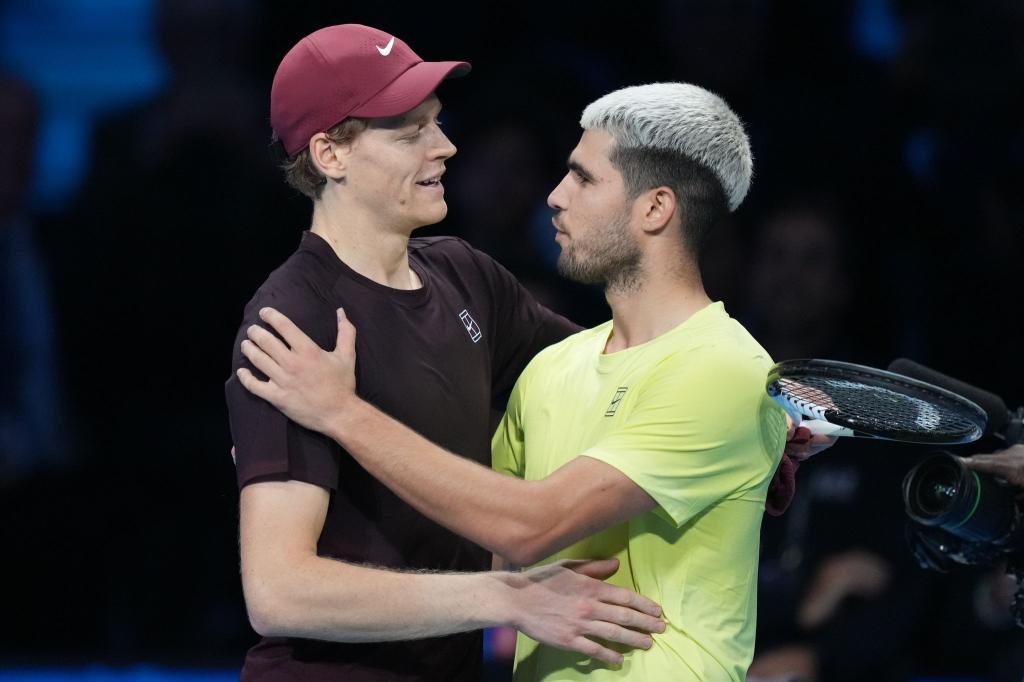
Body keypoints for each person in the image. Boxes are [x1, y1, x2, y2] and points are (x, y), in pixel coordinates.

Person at [238, 82, 833, 680]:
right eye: (412, 131)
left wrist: (341, 412)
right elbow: (478, 538)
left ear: (655, 209)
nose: (551, 196)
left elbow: (525, 527)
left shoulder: (723, 370)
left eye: (583, 178)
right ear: (329, 154)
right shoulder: (552, 366)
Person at [225, 24, 670, 681]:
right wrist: (508, 596)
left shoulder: (465, 275)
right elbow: (280, 592)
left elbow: (618, 370)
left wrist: (761, 415)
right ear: (330, 154)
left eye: (437, 122)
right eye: (409, 131)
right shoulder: (294, 322)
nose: (445, 146)